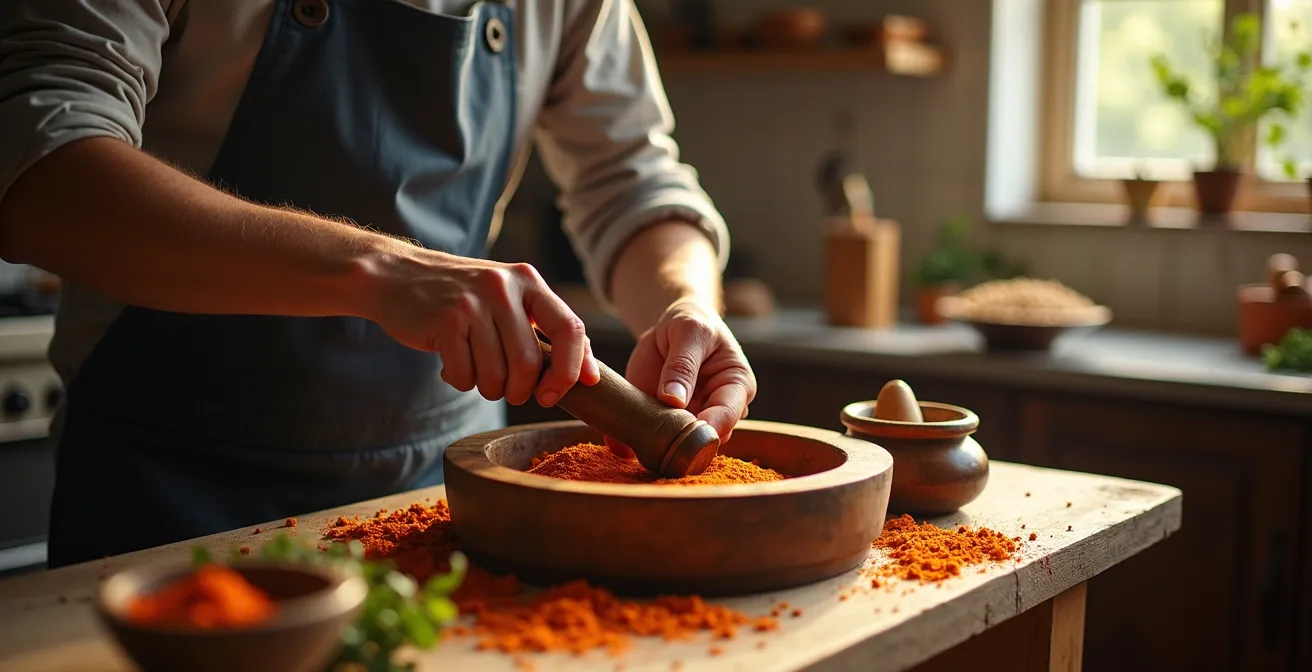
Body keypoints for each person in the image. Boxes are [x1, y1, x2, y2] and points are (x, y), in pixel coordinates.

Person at [0, 0, 756, 567]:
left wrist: (682, 299)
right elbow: (41, 170)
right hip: (165, 503)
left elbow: (632, 179)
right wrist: (382, 271)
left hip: (441, 497)